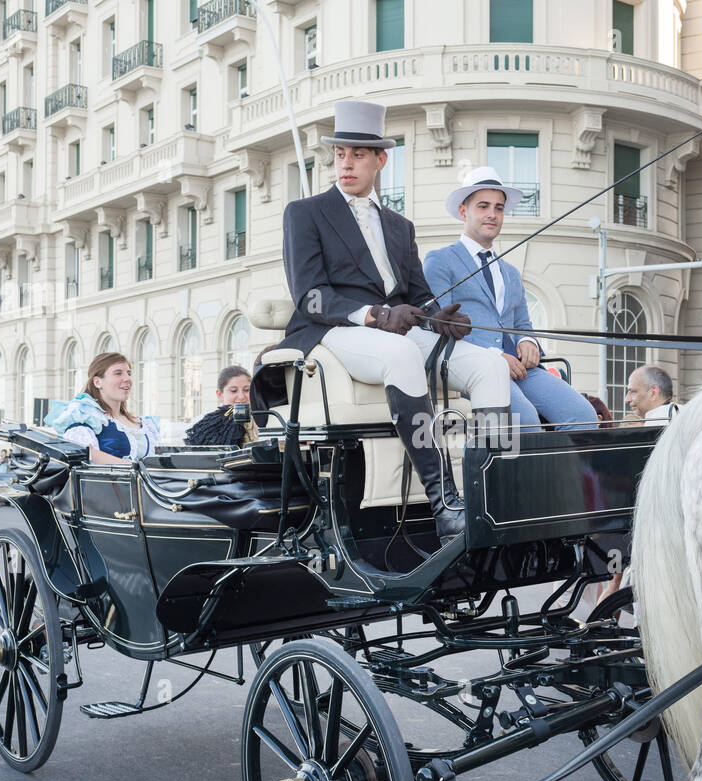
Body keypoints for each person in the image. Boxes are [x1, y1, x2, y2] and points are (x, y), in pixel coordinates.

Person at [272, 100, 512, 541]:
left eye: (358, 155)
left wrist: (437, 317)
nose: (346, 163)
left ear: (381, 160)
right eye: (341, 153)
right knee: (400, 351)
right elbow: (309, 297)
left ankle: (491, 492)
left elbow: (416, 295)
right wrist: (376, 315)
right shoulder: (305, 213)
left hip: (398, 331)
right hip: (337, 332)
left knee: (491, 365)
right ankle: (444, 502)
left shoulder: (400, 226)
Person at [424, 167, 596, 432]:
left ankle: (564, 475)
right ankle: (530, 474)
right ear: (463, 211)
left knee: (583, 414)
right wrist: (495, 356)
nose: (492, 214)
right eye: (483, 206)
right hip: (474, 367)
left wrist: (528, 342)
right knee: (524, 419)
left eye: (499, 208)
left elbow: (522, 324)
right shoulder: (440, 261)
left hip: (521, 370)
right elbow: (439, 325)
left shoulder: (511, 273)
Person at [49, 352, 160, 464]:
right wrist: (137, 470)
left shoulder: (143, 424)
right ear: (97, 382)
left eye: (129, 373)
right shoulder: (85, 417)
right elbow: (85, 456)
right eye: (118, 373)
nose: (127, 379)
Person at [185, 364, 257, 447]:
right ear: (220, 394)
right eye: (233, 391)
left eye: (246, 390)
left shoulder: (264, 417)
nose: (241, 396)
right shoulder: (209, 425)